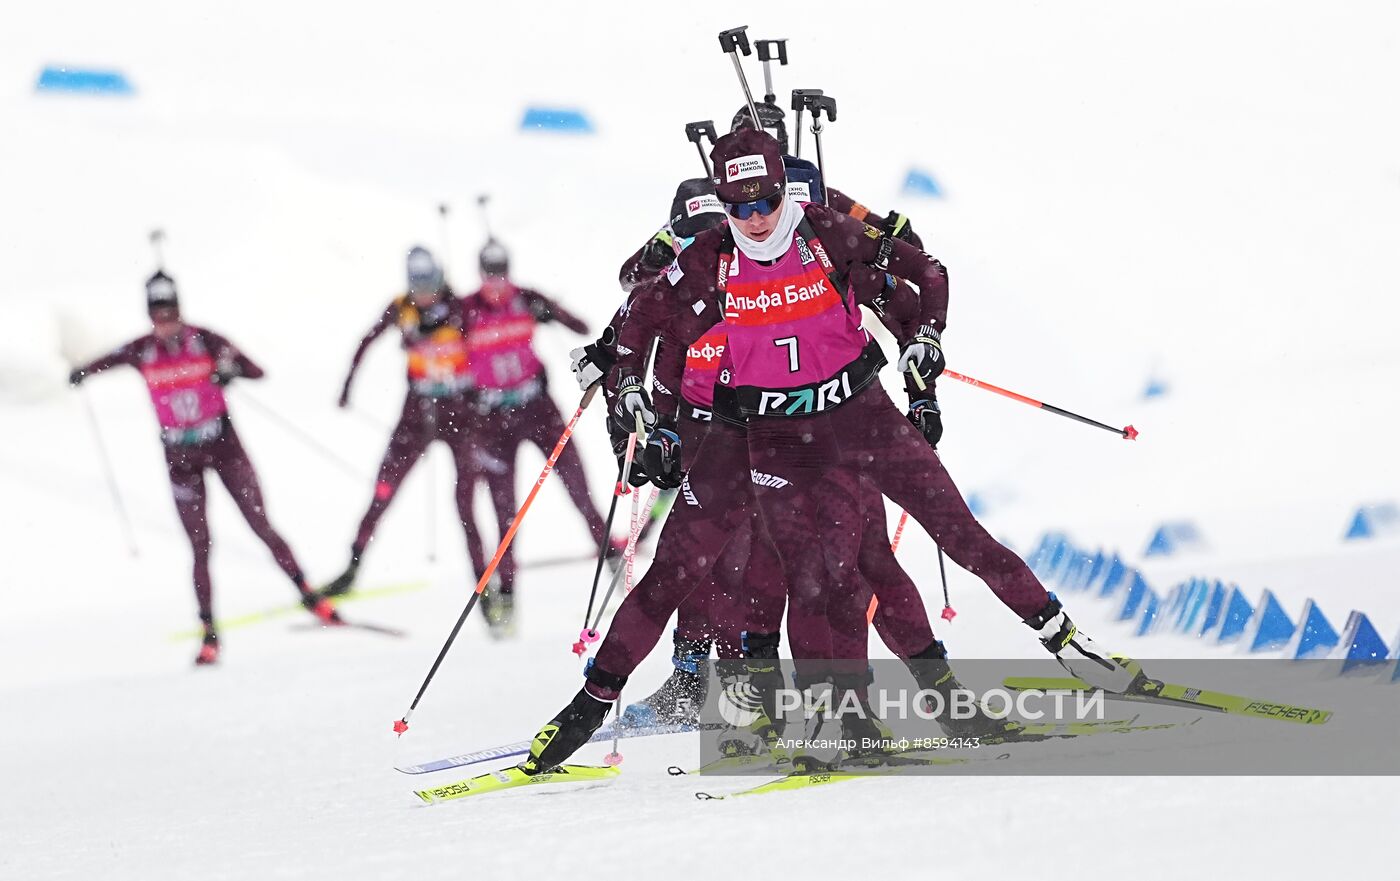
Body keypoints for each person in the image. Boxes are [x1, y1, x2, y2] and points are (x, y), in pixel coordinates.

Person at [522, 130, 1141, 773]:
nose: (756, 220)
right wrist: (630, 400)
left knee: (955, 536)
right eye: (740, 207)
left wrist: (925, 350)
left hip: (862, 417)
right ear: (722, 203)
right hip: (773, 440)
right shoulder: (708, 259)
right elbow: (637, 321)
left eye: (766, 201)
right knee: (795, 577)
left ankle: (1069, 646)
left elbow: (924, 273)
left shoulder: (826, 232)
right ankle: (604, 712)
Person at [69, 270, 341, 665]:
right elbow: (103, 362)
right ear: (149, 314)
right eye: (157, 312)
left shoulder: (204, 340)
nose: (165, 319)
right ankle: (209, 634)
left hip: (223, 447)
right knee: (199, 546)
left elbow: (257, 371)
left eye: (170, 309)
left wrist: (230, 370)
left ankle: (310, 597)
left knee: (260, 524)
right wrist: (82, 371)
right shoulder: (141, 351)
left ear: (180, 308)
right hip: (180, 458)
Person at [459, 238, 620, 633]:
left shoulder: (525, 298)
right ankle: (507, 594)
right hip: (492, 418)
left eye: (501, 272)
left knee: (578, 486)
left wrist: (549, 310)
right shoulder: (465, 310)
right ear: (480, 274)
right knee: (505, 511)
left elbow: (581, 326)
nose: (496, 281)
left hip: (537, 408)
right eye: (489, 273)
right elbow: (439, 343)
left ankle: (610, 552)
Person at [323, 246, 489, 599]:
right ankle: (352, 565)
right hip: (416, 415)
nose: (425, 294)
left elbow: (489, 343)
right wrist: (347, 388)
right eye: (418, 286)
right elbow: (365, 343)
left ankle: (483, 580)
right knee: (384, 488)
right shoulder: (402, 308)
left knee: (465, 503)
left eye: (430, 284)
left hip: (461, 415)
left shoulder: (461, 308)